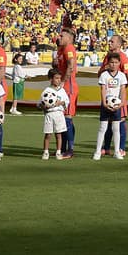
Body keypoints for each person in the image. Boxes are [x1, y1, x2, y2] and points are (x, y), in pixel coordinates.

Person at [100, 36, 128, 156]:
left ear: (119, 44)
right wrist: (105, 68)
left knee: (121, 120)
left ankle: (121, 148)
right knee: (108, 121)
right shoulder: (107, 57)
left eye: (112, 42)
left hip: (117, 96)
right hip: (107, 95)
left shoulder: (123, 57)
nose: (109, 43)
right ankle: (107, 147)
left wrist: (120, 92)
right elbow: (99, 74)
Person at [94, 51, 128, 161]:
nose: (114, 64)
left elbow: (123, 90)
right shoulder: (104, 75)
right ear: (108, 63)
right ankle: (98, 151)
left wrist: (121, 103)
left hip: (117, 105)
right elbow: (103, 89)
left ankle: (117, 151)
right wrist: (104, 103)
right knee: (102, 128)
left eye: (116, 62)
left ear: (119, 63)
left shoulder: (122, 75)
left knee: (116, 129)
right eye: (111, 62)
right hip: (106, 105)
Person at [54, 28, 79, 158]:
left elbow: (71, 66)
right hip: (63, 87)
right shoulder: (61, 50)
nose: (59, 37)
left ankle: (70, 150)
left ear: (69, 38)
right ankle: (62, 148)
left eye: (62, 36)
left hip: (68, 87)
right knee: (61, 118)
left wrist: (63, 82)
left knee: (67, 118)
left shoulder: (69, 48)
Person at [40, 69, 70, 160]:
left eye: (60, 78)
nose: (59, 80)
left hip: (59, 114)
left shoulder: (62, 91)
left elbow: (66, 102)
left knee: (59, 134)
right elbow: (41, 104)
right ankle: (45, 152)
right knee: (48, 134)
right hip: (49, 114)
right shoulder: (46, 91)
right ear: (50, 79)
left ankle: (58, 152)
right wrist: (45, 106)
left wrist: (60, 103)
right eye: (56, 78)